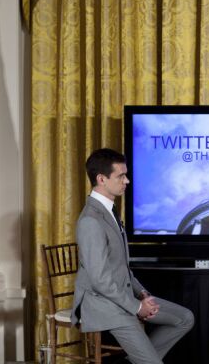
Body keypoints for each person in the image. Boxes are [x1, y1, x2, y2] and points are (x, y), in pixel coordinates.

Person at [71, 148, 194, 364]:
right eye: (121, 176)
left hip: (124, 297)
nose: (127, 181)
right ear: (101, 179)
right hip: (104, 305)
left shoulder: (110, 211)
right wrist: (137, 307)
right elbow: (100, 280)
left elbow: (121, 268)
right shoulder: (91, 220)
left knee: (185, 318)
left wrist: (143, 294)